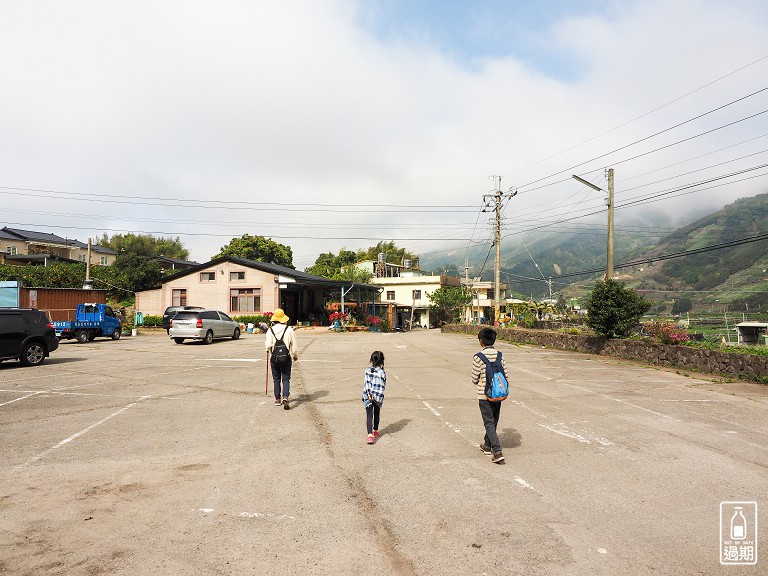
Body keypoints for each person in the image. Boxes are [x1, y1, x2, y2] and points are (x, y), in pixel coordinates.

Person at [471, 328, 507, 464]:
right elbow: (506, 375)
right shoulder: (500, 355)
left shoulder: (478, 357)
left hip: (484, 395)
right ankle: (487, 445)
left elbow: (474, 378)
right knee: (493, 421)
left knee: (488, 422)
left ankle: (497, 451)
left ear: (481, 341)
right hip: (498, 393)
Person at [265, 308, 299, 410]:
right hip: (286, 358)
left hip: (274, 358)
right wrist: (295, 356)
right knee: (286, 379)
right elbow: (294, 346)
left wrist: (267, 350)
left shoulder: (270, 330)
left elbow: (268, 345)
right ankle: (285, 396)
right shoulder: (289, 329)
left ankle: (277, 399)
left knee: (276, 379)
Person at [361, 350, 386, 445]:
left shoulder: (367, 370)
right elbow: (383, 385)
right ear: (382, 360)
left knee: (369, 415)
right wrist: (377, 395)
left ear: (371, 359)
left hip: (368, 395)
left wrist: (369, 394)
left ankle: (370, 436)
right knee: (376, 413)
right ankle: (375, 430)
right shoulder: (382, 372)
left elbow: (367, 383)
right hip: (378, 396)